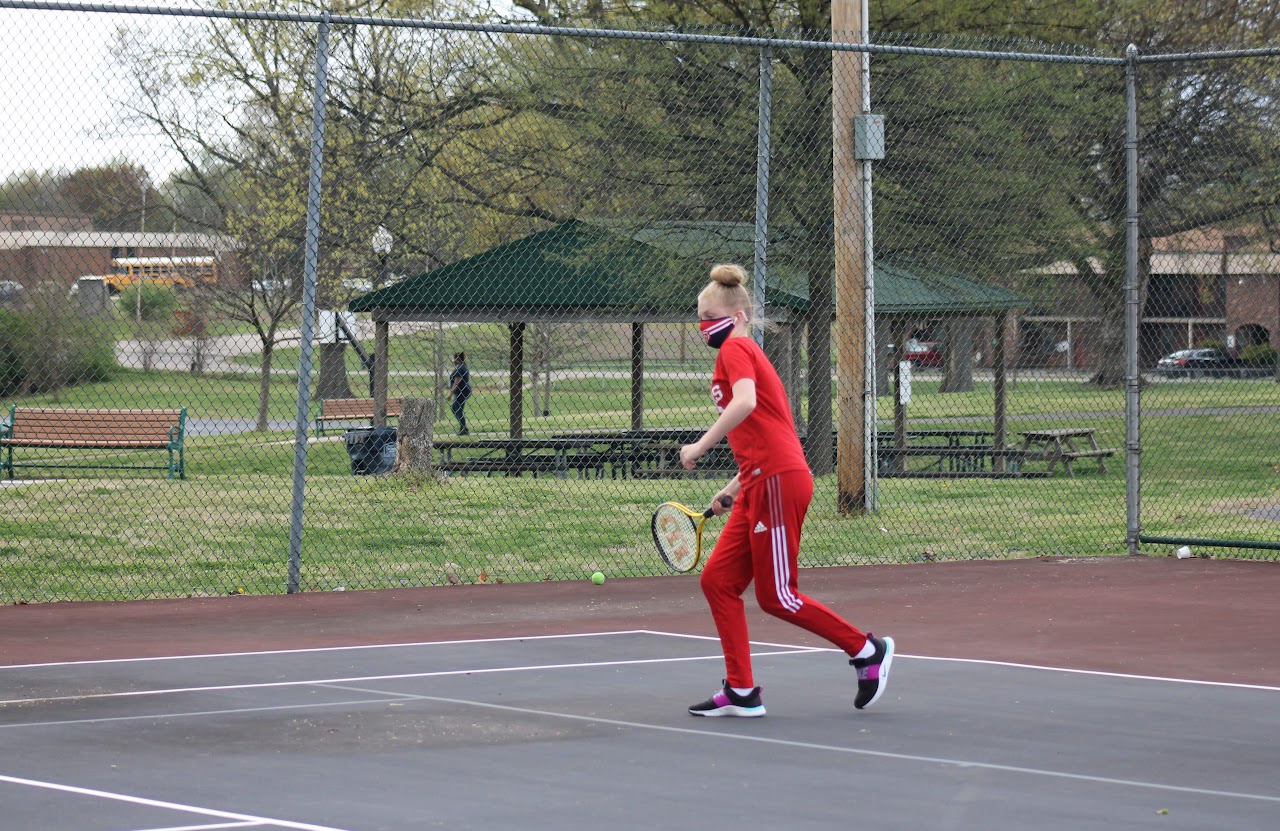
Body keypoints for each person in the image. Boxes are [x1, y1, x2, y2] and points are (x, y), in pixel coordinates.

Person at [679, 264, 894, 717]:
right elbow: (768, 431)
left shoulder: (737, 348)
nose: (703, 326)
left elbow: (746, 404)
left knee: (778, 595)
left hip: (778, 483)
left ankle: (866, 650)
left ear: (736, 317)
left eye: (710, 316)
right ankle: (740, 690)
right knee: (718, 582)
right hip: (761, 481)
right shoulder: (738, 351)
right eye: (698, 317)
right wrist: (734, 487)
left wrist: (699, 445)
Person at [448, 351, 471, 435]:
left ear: (457, 359)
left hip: (462, 392)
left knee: (457, 409)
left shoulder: (460, 368)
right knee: (455, 408)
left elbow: (456, 382)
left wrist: (450, 394)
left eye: (453, 359)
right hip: (461, 392)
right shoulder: (462, 366)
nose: (453, 361)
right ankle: (463, 428)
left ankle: (464, 429)